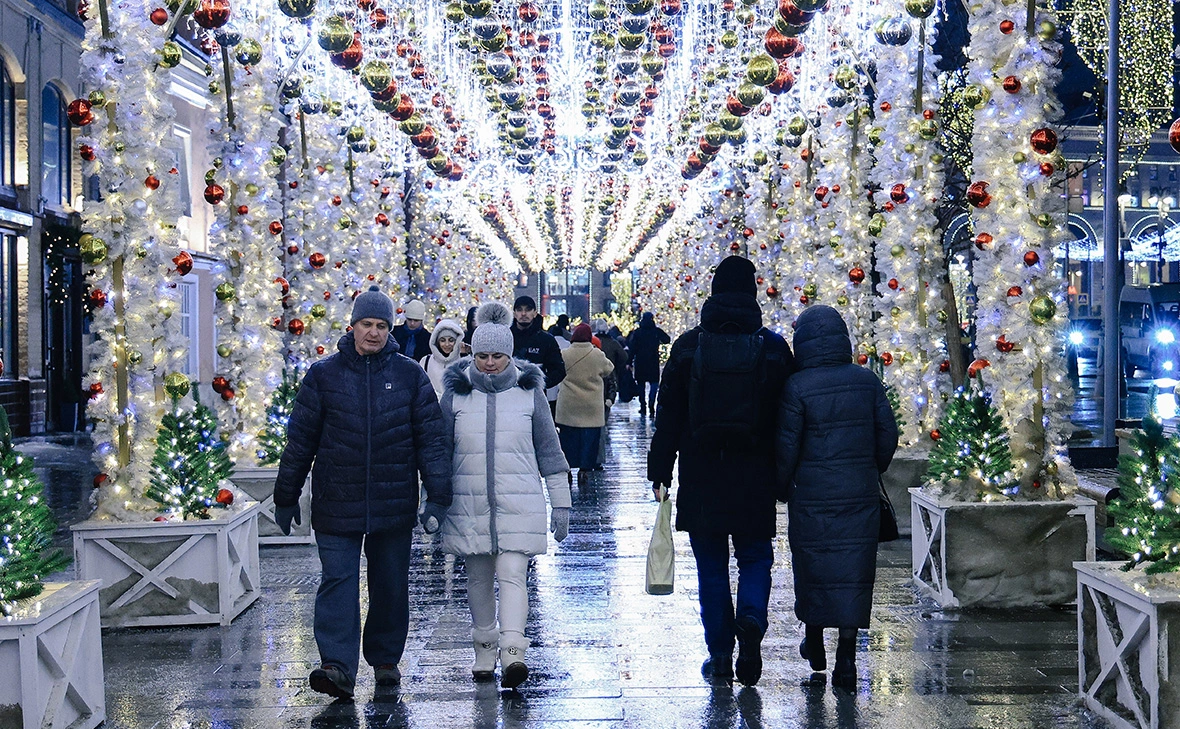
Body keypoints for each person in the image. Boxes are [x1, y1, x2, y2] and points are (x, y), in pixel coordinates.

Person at [273, 286, 452, 699]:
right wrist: (286, 494)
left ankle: (386, 660)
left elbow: (431, 441)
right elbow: (300, 440)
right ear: (352, 326)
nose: (373, 332)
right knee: (338, 580)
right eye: (366, 324)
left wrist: (438, 496)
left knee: (390, 583)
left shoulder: (410, 375)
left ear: (390, 329)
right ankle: (336, 665)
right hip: (337, 501)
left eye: (381, 325)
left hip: (393, 503)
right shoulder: (324, 376)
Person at [647, 256, 795, 687]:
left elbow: (668, 416)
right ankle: (750, 618)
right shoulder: (772, 347)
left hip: (701, 473)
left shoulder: (689, 346)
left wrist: (660, 472)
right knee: (754, 557)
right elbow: (788, 415)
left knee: (710, 568)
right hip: (754, 473)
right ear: (752, 291)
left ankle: (720, 656)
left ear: (712, 291)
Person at [438, 321, 571, 689]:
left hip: (520, 501)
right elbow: (440, 451)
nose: (490, 363)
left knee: (513, 572)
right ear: (471, 353)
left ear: (510, 355)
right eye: (482, 355)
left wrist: (561, 502)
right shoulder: (456, 394)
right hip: (469, 503)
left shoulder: (529, 393)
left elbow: (549, 450)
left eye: (498, 356)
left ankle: (513, 650)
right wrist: (431, 501)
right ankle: (484, 647)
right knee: (478, 578)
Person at [776, 305, 898, 690]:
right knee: (853, 572)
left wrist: (782, 486)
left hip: (811, 495)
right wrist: (870, 465)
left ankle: (814, 640)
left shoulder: (797, 386)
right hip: (857, 493)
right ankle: (847, 656)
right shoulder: (866, 381)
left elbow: (787, 446)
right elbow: (887, 435)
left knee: (813, 567)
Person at [556, 324, 614, 485]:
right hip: (591, 405)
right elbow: (609, 368)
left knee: (568, 438)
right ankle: (585, 470)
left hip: (569, 404)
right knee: (590, 439)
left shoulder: (564, 354)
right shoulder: (597, 354)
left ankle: (567, 468)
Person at [510, 295, 566, 394]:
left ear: (535, 313)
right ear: (514, 313)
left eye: (528, 310)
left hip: (536, 397)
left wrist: (539, 383)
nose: (523, 313)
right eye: (519, 310)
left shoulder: (546, 340)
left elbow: (559, 370)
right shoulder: (506, 337)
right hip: (508, 395)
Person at [592, 319, 627, 468]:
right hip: (607, 385)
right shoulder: (613, 343)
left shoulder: (592, 345)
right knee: (602, 420)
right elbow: (624, 357)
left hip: (591, 389)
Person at [628, 311, 670, 417]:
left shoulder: (638, 332)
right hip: (653, 361)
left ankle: (643, 406)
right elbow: (667, 339)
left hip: (640, 361)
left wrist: (629, 362)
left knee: (641, 384)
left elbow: (632, 348)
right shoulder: (656, 331)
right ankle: (651, 404)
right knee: (654, 384)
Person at [420, 318, 465, 398]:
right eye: (443, 340)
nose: (447, 344)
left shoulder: (463, 363)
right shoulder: (426, 361)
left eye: (451, 340)